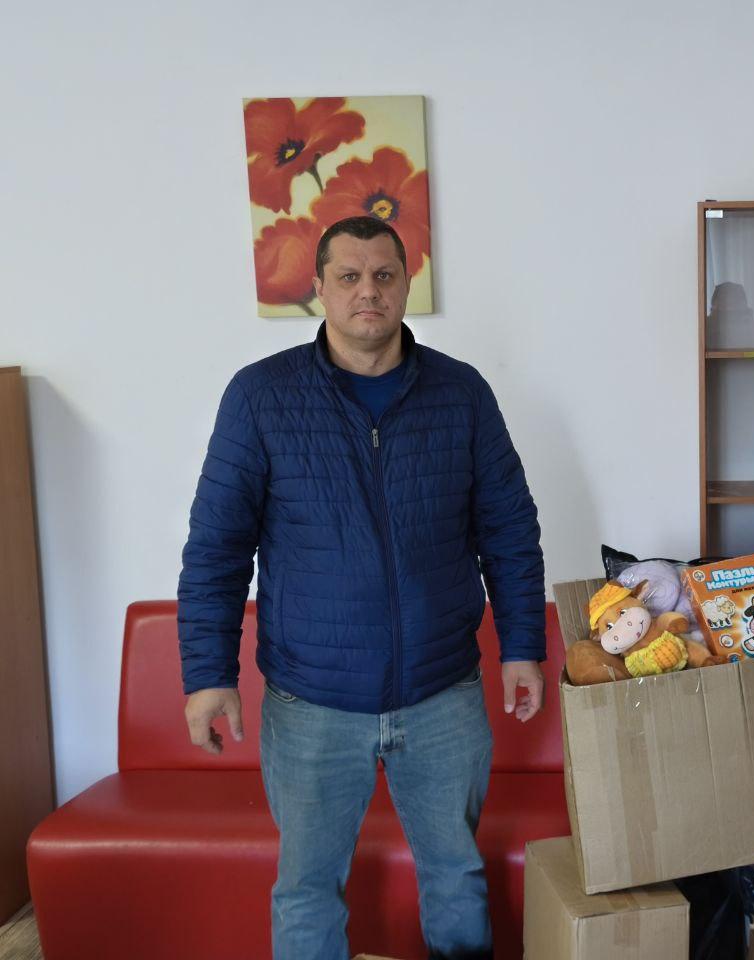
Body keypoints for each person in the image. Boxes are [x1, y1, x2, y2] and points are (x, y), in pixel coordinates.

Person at [178, 215, 545, 960]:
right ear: (320, 288)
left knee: (457, 878)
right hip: (310, 703)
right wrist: (208, 676)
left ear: (407, 284)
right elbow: (217, 549)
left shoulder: (462, 393)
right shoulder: (260, 397)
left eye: (383, 275)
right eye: (348, 276)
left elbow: (509, 530)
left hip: (442, 694)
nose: (367, 291)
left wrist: (522, 646)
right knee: (308, 890)